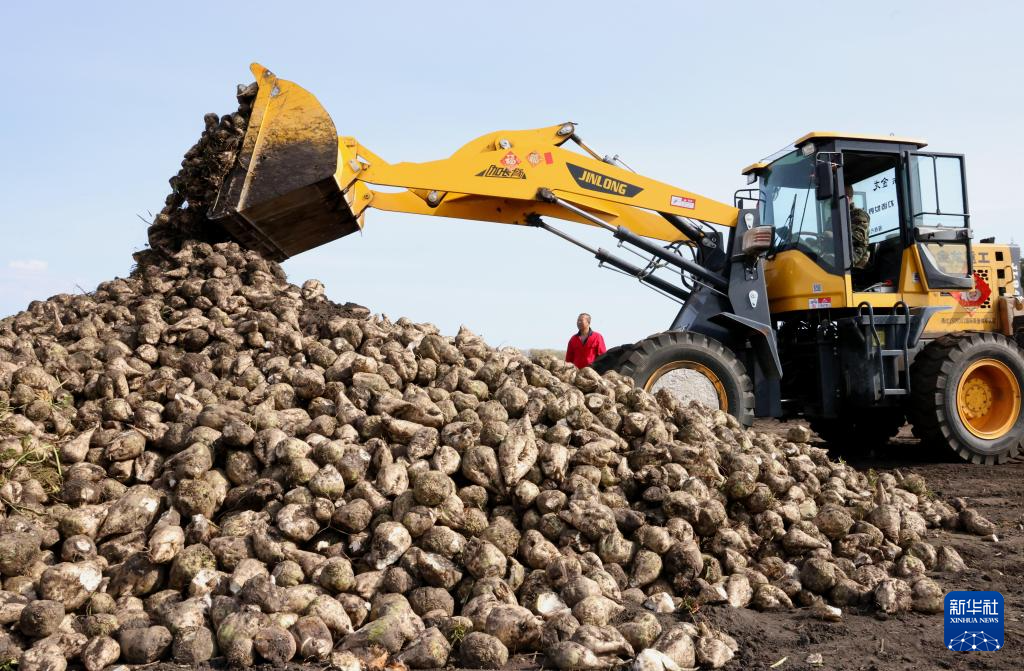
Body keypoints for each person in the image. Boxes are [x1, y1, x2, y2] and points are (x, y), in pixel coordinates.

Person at [847, 184, 871, 270]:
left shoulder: (858, 215)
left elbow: (858, 237)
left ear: (847, 198)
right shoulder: (834, 217)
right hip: (839, 252)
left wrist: (834, 236)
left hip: (855, 253)